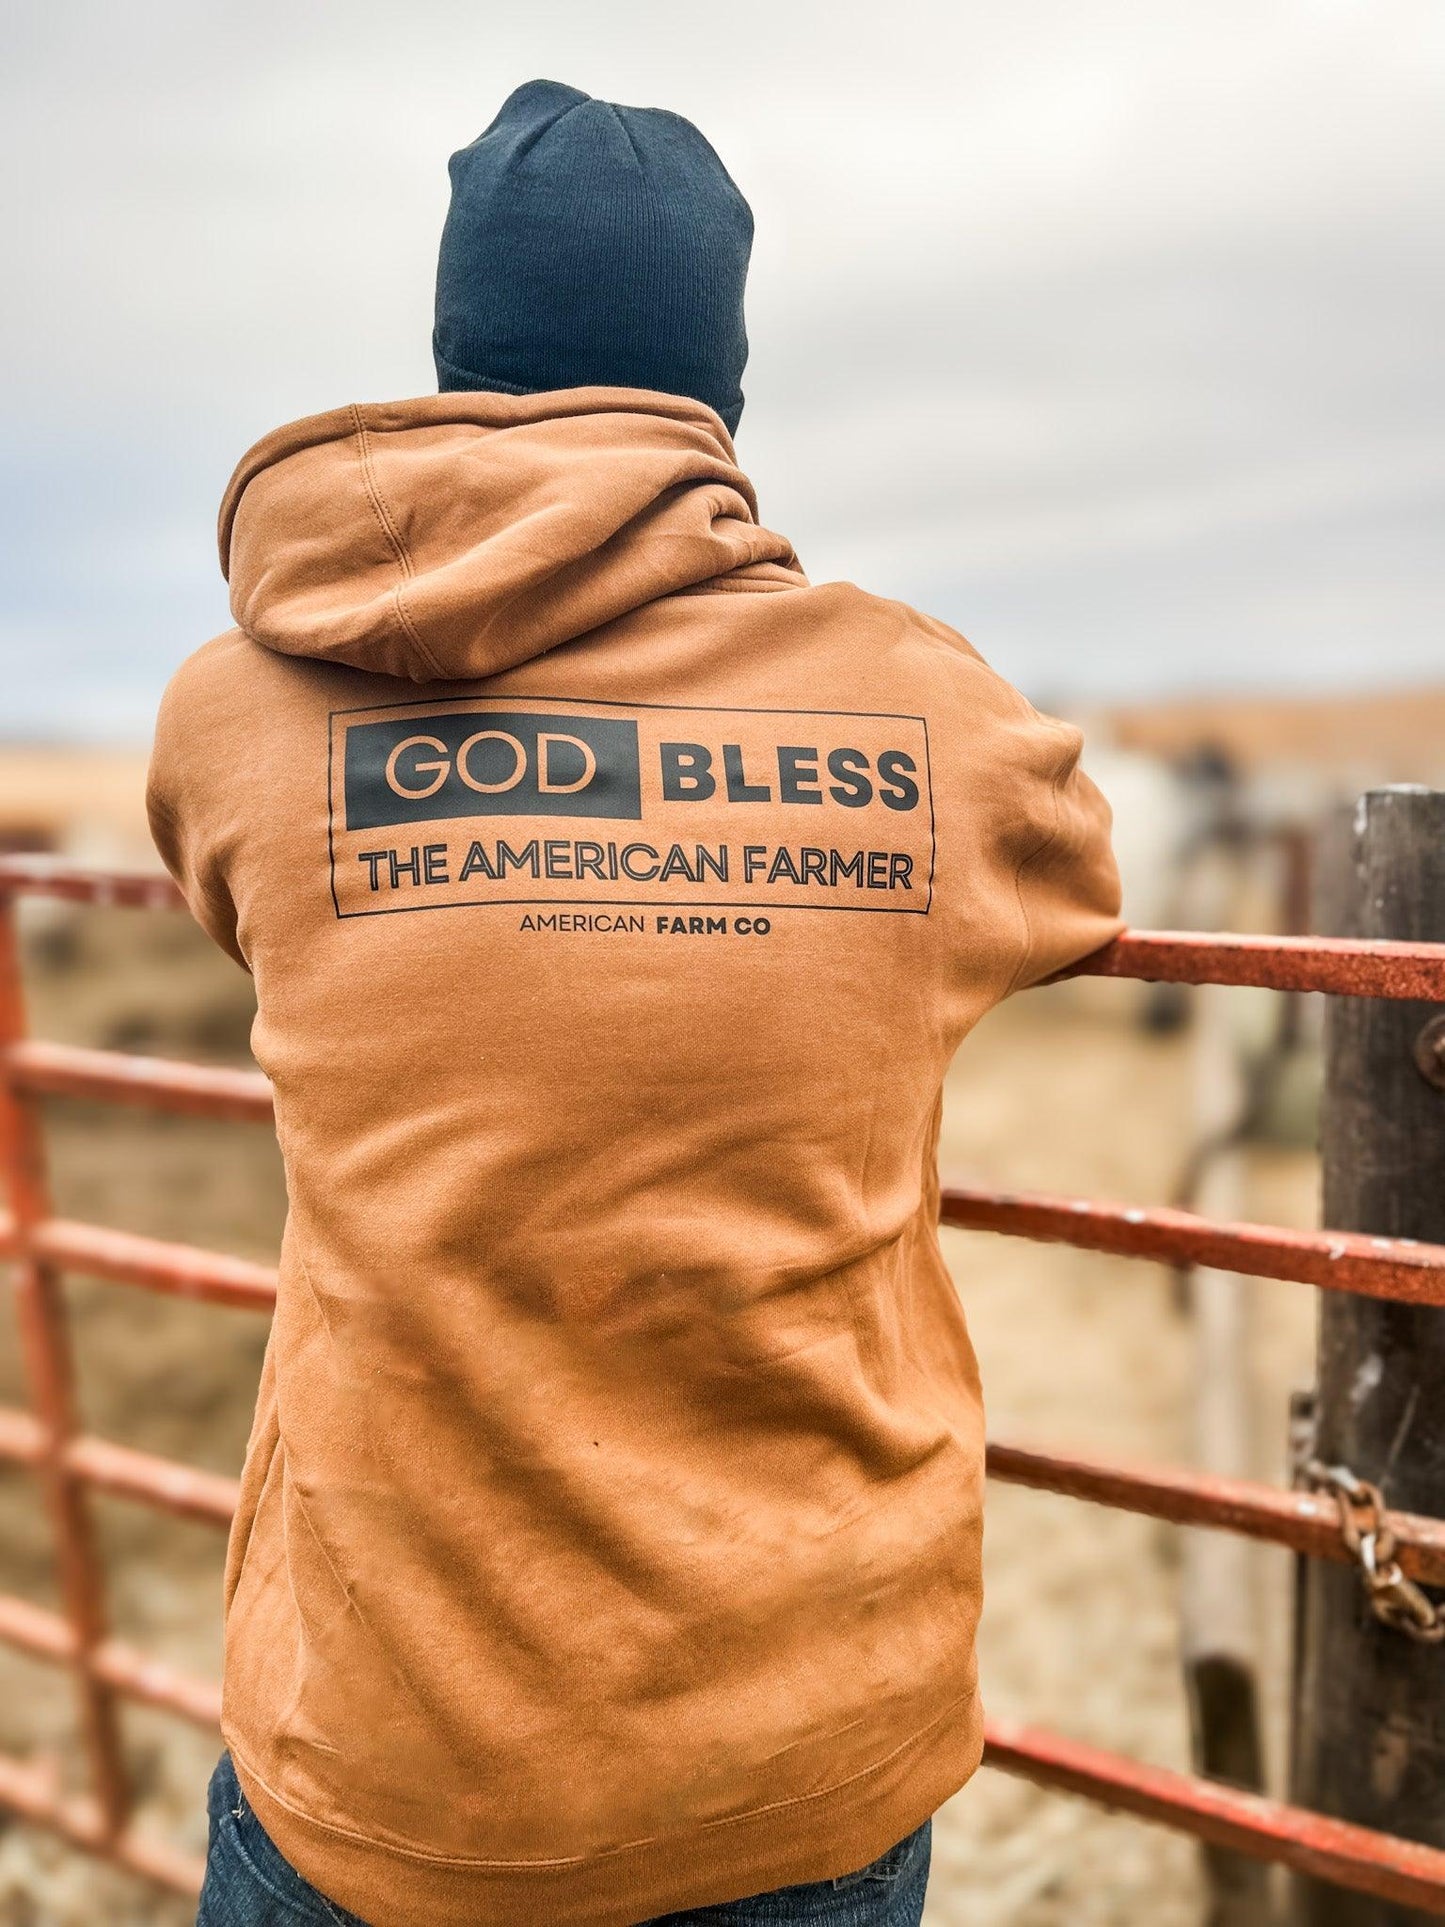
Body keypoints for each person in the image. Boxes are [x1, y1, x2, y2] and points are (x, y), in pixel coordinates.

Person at [152, 79, 1122, 1927]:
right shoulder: (928, 711)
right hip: (798, 1750)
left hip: (387, 1756)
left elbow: (242, 903)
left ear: (448, 351)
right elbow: (1077, 885)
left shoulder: (235, 713)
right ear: (717, 390)